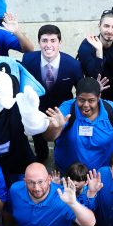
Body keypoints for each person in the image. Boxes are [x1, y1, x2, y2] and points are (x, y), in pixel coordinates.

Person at [8, 164, 96, 226]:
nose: (36, 188)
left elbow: (90, 222)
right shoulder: (15, 190)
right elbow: (11, 213)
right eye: (31, 182)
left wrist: (73, 203)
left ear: (49, 179)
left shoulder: (63, 196)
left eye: (41, 182)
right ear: (24, 181)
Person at [23, 24, 84, 160]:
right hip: (37, 109)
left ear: (60, 42)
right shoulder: (28, 60)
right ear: (39, 42)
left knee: (61, 139)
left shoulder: (73, 65)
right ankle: (42, 155)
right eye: (44, 40)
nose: (48, 45)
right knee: (38, 138)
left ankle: (60, 157)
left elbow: (80, 91)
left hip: (61, 110)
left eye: (53, 40)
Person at [45, 77, 113, 173]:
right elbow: (49, 137)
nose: (86, 105)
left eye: (91, 100)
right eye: (81, 100)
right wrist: (55, 128)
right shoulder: (67, 109)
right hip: (69, 173)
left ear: (99, 97)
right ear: (76, 97)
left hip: (103, 173)